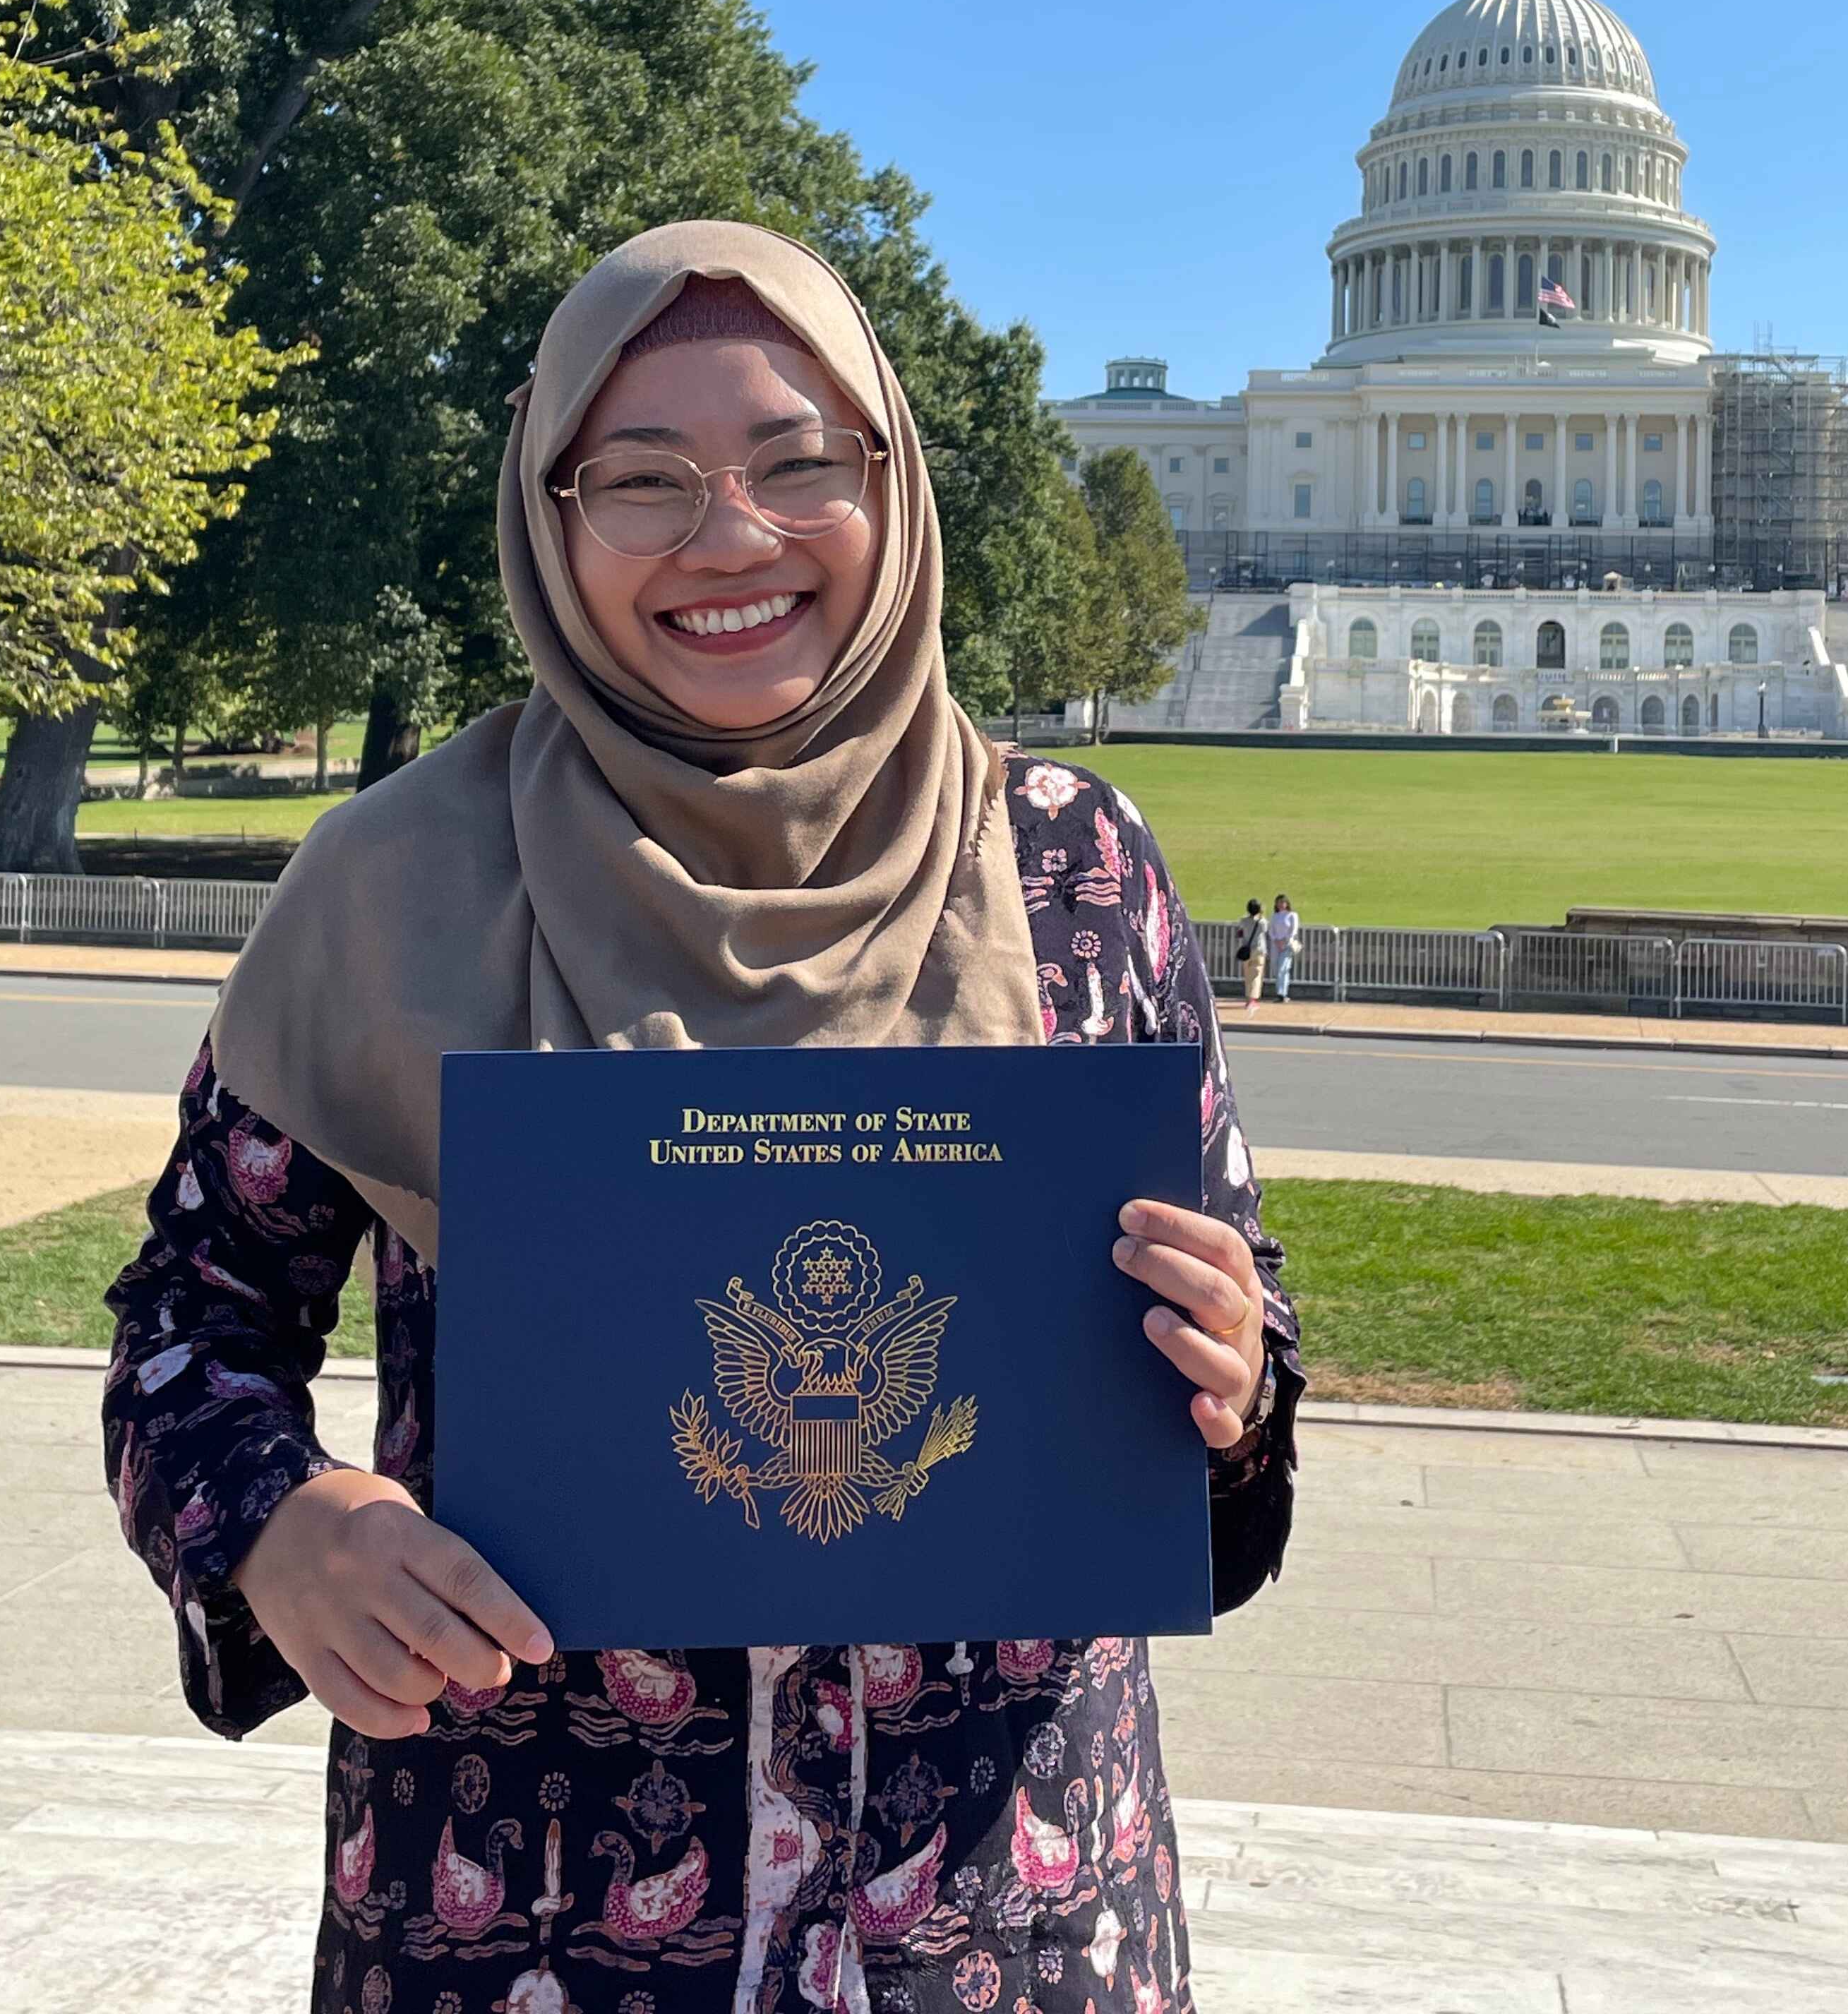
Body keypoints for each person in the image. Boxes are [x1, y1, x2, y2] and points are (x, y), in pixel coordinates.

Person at [103, 221, 1301, 2014]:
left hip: (1000, 1918)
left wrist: (1231, 1373)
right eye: (641, 481)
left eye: (802, 463)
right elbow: (191, 1327)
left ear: (891, 487)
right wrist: (284, 1526)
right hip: (521, 1909)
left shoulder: (1071, 863)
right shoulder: (395, 881)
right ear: (550, 516)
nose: (731, 538)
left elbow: (1238, 1319)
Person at [1266, 894, 1300, 1005]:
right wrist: (1276, 941)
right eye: (1278, 902)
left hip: (1287, 945)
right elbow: (1271, 930)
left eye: (1282, 902)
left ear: (1287, 903)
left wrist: (1285, 941)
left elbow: (1293, 930)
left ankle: (1282, 993)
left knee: (1283, 969)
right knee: (1277, 969)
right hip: (1276, 945)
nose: (1280, 904)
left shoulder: (1292, 915)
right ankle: (1281, 991)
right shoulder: (1275, 916)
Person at [1235, 896, 1268, 1009]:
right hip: (1258, 951)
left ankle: (1248, 998)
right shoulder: (1262, 922)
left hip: (1246, 949)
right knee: (1256, 975)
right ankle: (1252, 1000)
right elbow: (1265, 930)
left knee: (1248, 975)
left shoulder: (1243, 920)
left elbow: (1240, 932)